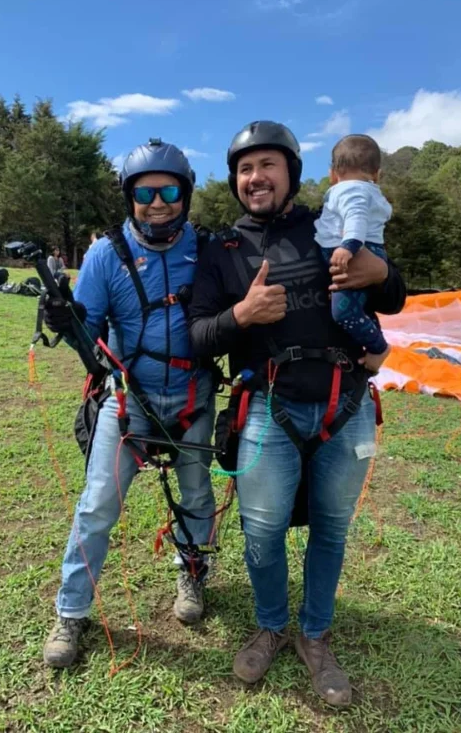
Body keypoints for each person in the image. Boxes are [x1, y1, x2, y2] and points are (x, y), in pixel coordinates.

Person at [188, 121, 406, 706]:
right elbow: (196, 335)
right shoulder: (221, 250)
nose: (254, 177)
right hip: (267, 408)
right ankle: (270, 625)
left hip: (346, 404)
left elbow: (393, 293)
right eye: (244, 168)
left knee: (331, 530)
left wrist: (380, 274)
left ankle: (315, 636)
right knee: (261, 532)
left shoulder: (327, 223)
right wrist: (243, 315)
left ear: (291, 173)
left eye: (267, 165)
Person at [41, 139, 217, 668]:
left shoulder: (208, 250)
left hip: (193, 399)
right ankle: (71, 611)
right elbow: (89, 335)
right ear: (130, 196)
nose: (158, 202)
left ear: (185, 195)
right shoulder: (105, 254)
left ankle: (192, 576)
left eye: (169, 191)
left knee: (196, 496)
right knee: (97, 505)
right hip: (128, 402)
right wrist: (64, 319)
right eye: (146, 192)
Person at [314, 134, 393, 373]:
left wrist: (348, 246)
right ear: (377, 173)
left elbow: (356, 218)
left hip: (357, 253)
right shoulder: (362, 190)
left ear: (332, 173)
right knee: (355, 306)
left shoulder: (350, 190)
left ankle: (378, 347)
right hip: (363, 252)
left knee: (344, 312)